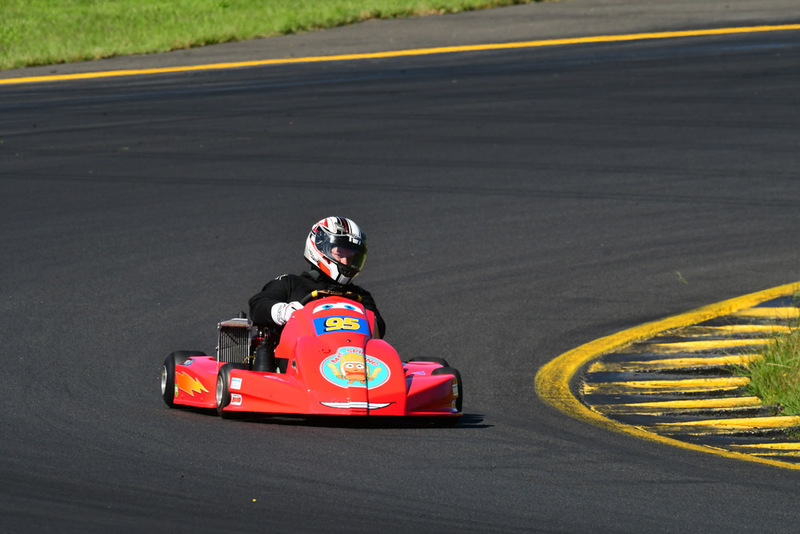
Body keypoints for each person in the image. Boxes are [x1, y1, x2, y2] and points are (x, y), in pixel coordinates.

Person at [248, 217, 385, 371]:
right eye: (340, 253)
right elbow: (258, 304)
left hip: (350, 361)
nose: (346, 262)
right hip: (296, 366)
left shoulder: (359, 295)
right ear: (319, 247)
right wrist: (284, 312)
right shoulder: (291, 284)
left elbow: (378, 328)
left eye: (351, 256)